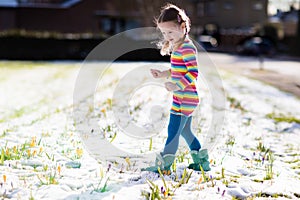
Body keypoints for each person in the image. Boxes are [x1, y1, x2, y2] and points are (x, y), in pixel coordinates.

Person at [142, 4, 211, 174]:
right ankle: (201, 162)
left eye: (170, 32)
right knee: (185, 131)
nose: (167, 36)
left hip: (186, 98)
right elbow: (177, 70)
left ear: (182, 27)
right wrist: (163, 74)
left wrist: (176, 85)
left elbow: (193, 73)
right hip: (182, 97)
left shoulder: (187, 47)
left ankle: (165, 165)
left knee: (173, 130)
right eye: (164, 33)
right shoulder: (179, 47)